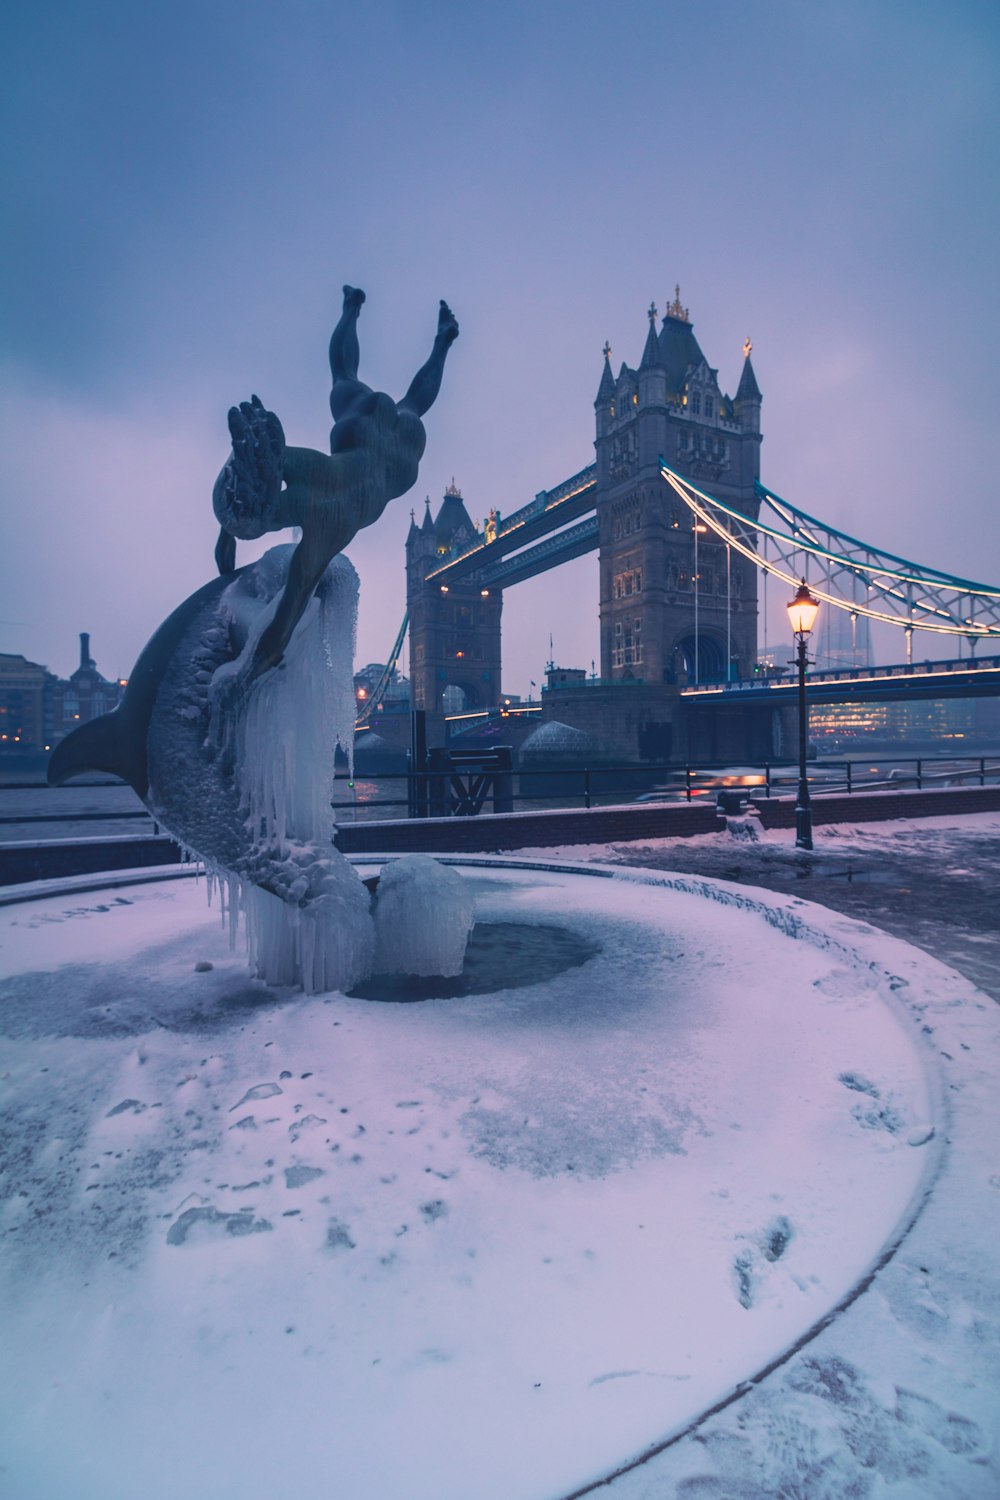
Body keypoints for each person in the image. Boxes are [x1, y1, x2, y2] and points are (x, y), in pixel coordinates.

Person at [213, 285, 458, 680]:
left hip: (396, 453)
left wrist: (251, 670)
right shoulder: (304, 469)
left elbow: (287, 614)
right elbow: (249, 465)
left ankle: (432, 339)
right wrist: (225, 535)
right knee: (348, 377)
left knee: (401, 399)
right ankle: (357, 308)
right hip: (373, 440)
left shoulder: (329, 531)